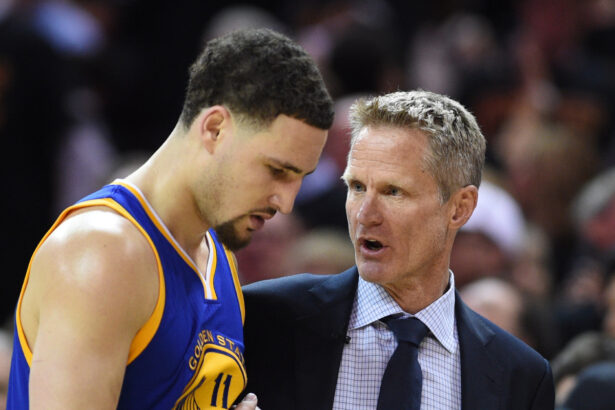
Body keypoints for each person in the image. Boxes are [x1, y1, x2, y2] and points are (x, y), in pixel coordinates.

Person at [8, 28, 333, 410]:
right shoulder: (103, 252)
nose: (287, 202)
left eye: (299, 178)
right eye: (276, 170)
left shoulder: (219, 257)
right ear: (214, 129)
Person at [242, 90, 554, 409]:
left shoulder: (521, 377)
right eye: (357, 187)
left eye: (393, 191)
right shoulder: (262, 319)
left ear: (460, 208)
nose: (365, 214)